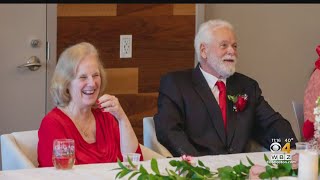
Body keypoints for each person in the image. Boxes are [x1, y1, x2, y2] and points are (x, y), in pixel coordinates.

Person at [154, 19, 297, 157]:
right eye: (224, 45)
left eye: (234, 46)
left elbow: (273, 124)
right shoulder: (177, 84)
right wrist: (197, 165)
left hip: (242, 170)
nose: (232, 51)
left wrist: (291, 153)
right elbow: (169, 131)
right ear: (203, 50)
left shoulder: (247, 86)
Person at [37, 42, 142, 167]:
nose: (92, 83)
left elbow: (135, 164)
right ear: (66, 83)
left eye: (95, 75)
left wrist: (122, 118)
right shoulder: (53, 124)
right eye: (83, 77)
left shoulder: (106, 117)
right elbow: (54, 175)